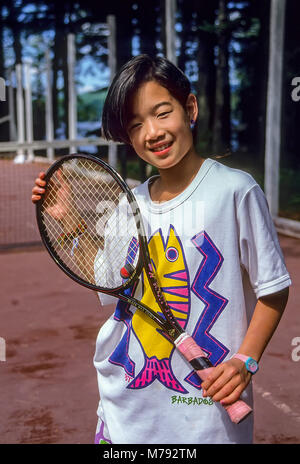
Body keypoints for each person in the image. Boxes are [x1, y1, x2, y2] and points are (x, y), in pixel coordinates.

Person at [32, 54, 291, 444]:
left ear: (190, 108)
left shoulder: (235, 191)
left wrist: (244, 362)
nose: (151, 132)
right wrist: (67, 220)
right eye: (135, 125)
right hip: (127, 415)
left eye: (161, 112)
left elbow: (273, 289)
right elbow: (106, 282)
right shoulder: (128, 203)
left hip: (207, 422)